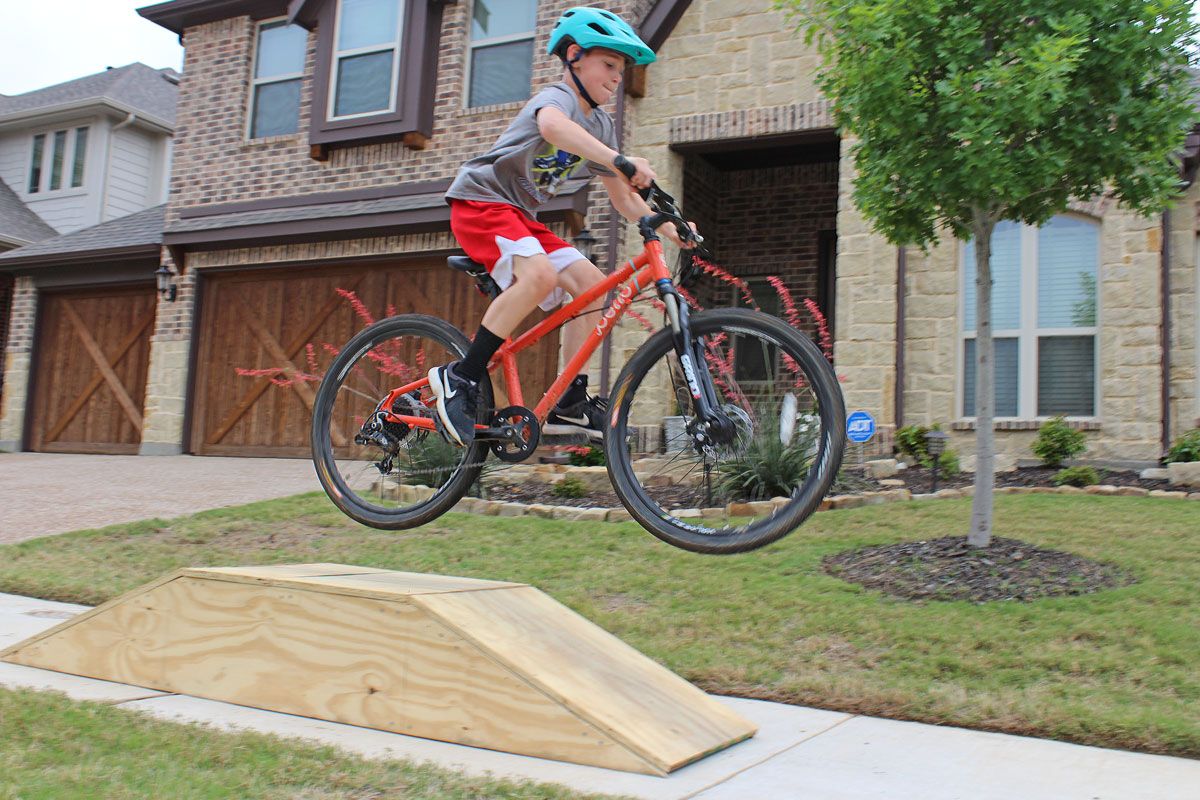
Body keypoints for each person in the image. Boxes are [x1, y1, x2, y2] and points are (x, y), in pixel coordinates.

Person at [428, 6, 696, 447]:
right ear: (574, 56)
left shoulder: (601, 124)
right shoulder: (559, 98)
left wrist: (670, 227)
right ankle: (460, 377)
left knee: (593, 285)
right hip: (482, 200)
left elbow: (624, 199)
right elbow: (552, 127)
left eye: (621, 70)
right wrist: (618, 159)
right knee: (540, 275)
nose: (616, 78)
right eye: (608, 65)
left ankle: (570, 397)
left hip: (520, 217)